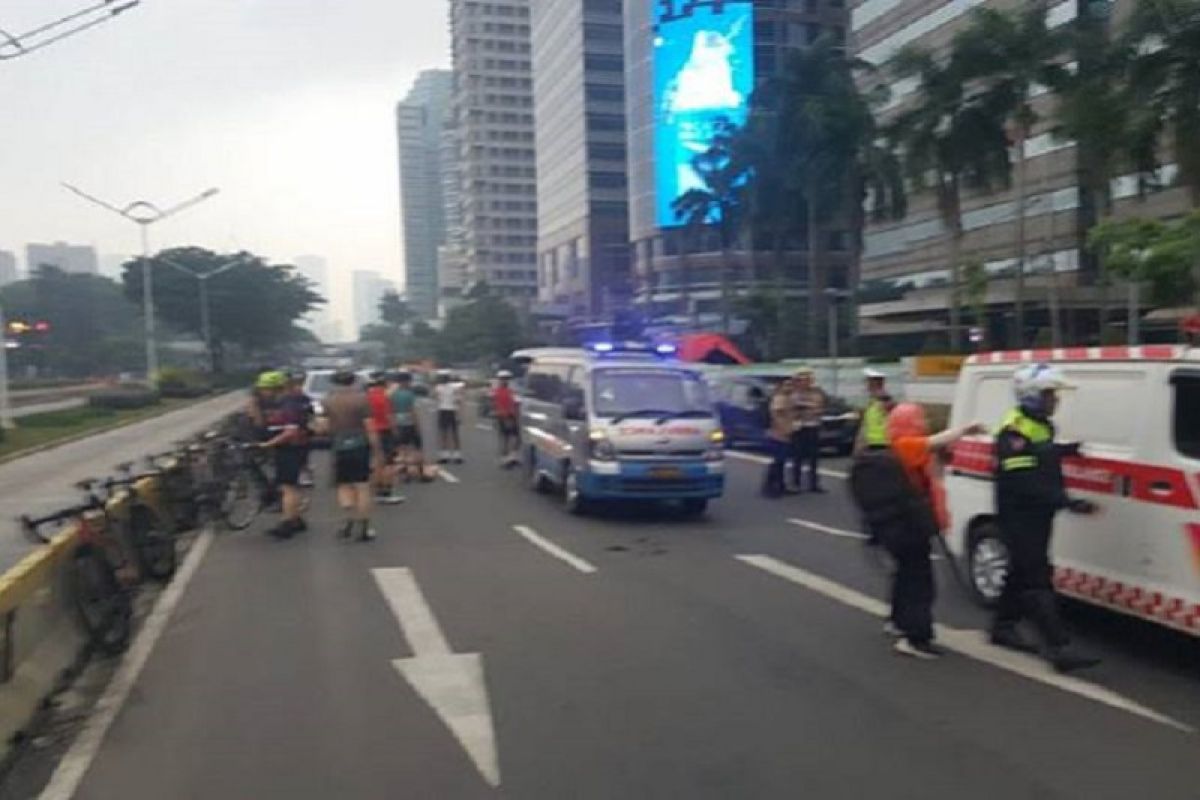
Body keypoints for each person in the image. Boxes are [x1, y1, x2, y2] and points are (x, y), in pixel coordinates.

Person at [990, 363, 1100, 673]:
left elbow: (1042, 454)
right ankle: (1059, 647)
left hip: (1037, 514)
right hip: (1019, 515)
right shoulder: (1013, 431)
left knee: (1020, 570)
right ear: (1032, 396)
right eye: (1050, 394)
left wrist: (1067, 451)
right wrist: (1067, 502)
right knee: (1038, 577)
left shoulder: (1039, 425)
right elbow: (1025, 480)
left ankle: (1003, 627)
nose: (1056, 400)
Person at [882, 403, 986, 658]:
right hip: (910, 526)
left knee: (906, 576)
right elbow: (933, 442)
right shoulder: (906, 446)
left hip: (900, 525)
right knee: (920, 582)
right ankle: (915, 638)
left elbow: (936, 465)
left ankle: (898, 621)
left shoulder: (897, 448)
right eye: (920, 419)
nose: (924, 422)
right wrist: (964, 429)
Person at [321, 369, 385, 541]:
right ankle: (363, 526)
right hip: (360, 444)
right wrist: (377, 449)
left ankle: (348, 519)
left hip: (339, 445)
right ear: (353, 381)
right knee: (362, 486)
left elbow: (324, 427)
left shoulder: (328, 401)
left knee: (343, 485)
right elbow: (370, 426)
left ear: (334, 382)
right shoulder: (362, 399)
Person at [258, 370, 309, 539]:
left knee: (288, 487)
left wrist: (268, 444)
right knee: (290, 485)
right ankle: (295, 518)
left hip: (290, 448)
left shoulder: (287, 405)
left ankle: (287, 523)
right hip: (289, 448)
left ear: (276, 388)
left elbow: (290, 432)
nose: (263, 393)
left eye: (266, 389)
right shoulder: (283, 403)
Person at [367, 371, 405, 504]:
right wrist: (396, 432)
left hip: (371, 431)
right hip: (384, 430)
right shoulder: (384, 398)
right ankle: (386, 491)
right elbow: (389, 417)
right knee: (389, 463)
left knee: (377, 462)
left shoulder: (369, 396)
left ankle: (376, 490)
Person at [390, 371, 432, 483]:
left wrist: (393, 427)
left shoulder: (393, 395)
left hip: (398, 424)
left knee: (402, 450)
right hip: (409, 423)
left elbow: (391, 412)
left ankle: (404, 473)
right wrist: (417, 426)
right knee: (416, 448)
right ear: (407, 382)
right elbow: (413, 412)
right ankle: (421, 472)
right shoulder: (410, 395)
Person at [790, 370, 827, 494]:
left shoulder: (817, 393)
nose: (805, 383)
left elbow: (819, 407)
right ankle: (795, 483)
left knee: (813, 457)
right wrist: (808, 407)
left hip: (813, 425)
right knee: (798, 456)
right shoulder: (794, 394)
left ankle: (813, 484)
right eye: (802, 380)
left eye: (807, 380)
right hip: (799, 427)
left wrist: (809, 407)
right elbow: (794, 407)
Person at [762, 379, 796, 498]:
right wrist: (784, 429)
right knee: (777, 461)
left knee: (781, 461)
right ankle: (769, 487)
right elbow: (776, 415)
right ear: (781, 386)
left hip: (785, 433)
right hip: (778, 434)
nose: (790, 387)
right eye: (787, 385)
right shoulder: (780, 398)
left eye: (791, 385)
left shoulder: (788, 398)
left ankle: (780, 485)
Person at [854, 368, 892, 454]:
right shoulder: (872, 402)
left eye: (867, 381)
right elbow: (865, 425)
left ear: (874, 383)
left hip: (883, 445)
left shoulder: (884, 400)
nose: (866, 385)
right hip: (871, 444)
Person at [435, 370, 464, 464]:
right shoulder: (441, 387)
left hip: (448, 410)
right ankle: (449, 455)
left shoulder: (443, 387)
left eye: (443, 377)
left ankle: (453, 455)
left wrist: (458, 413)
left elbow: (458, 400)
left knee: (450, 433)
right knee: (448, 433)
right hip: (446, 410)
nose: (442, 379)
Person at [492, 370, 520, 467]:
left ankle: (512, 457)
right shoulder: (498, 391)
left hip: (512, 415)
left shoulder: (511, 391)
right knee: (505, 438)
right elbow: (498, 405)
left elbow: (516, 403)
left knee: (515, 437)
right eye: (503, 379)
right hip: (504, 416)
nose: (505, 381)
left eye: (507, 379)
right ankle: (505, 459)